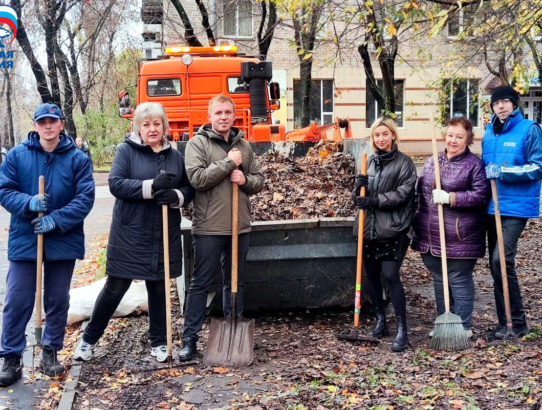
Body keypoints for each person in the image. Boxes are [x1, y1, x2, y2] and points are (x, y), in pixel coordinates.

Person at [73, 102, 194, 363]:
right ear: (138, 127)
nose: (152, 129)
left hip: (162, 230)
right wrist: (150, 187)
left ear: (164, 126)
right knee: (116, 286)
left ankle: (159, 342)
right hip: (130, 231)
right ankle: (88, 340)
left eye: (156, 123)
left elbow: (188, 189)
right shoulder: (126, 151)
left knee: (159, 287)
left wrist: (175, 195)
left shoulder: (175, 156)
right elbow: (116, 184)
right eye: (146, 124)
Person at [0, 103, 94, 385]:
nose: (48, 126)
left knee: (57, 299)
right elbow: (4, 190)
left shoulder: (77, 159)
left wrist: (57, 219)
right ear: (36, 126)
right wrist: (27, 203)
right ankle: (11, 357)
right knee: (17, 299)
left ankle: (50, 351)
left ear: (61, 124)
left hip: (63, 240)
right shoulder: (17, 156)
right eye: (42, 122)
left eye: (53, 121)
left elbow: (85, 198)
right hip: (25, 238)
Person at [178, 95, 264, 361]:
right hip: (209, 228)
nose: (224, 117)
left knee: (235, 280)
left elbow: (258, 180)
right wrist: (229, 163)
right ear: (210, 115)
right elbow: (197, 179)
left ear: (234, 114)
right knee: (200, 283)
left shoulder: (244, 146)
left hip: (239, 226)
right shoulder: (197, 144)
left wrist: (245, 179)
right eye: (218, 113)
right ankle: (189, 339)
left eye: (228, 112)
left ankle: (234, 328)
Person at [412, 117, 490, 338]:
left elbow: (481, 195)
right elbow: (420, 194)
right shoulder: (432, 161)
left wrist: (450, 197)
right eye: (450, 135)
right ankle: (444, 323)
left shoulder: (474, 165)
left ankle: (463, 327)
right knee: (440, 279)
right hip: (430, 236)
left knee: (458, 279)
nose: (453, 140)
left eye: (459, 136)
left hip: (459, 236)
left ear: (468, 140)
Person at [482, 85, 542, 339]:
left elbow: (537, 167)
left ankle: (517, 323)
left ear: (514, 104)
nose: (501, 106)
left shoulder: (529, 130)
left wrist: (504, 172)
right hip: (492, 206)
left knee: (500, 260)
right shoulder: (488, 132)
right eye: (497, 103)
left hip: (515, 207)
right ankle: (504, 322)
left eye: (506, 101)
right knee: (496, 266)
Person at [352, 117, 416, 352]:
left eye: (384, 134)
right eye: (377, 135)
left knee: (390, 276)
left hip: (393, 228)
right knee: (371, 276)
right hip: (368, 228)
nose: (381, 139)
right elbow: (358, 199)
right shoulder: (367, 161)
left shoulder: (404, 163)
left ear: (393, 136)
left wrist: (374, 200)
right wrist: (358, 186)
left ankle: (402, 329)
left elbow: (403, 194)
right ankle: (380, 320)